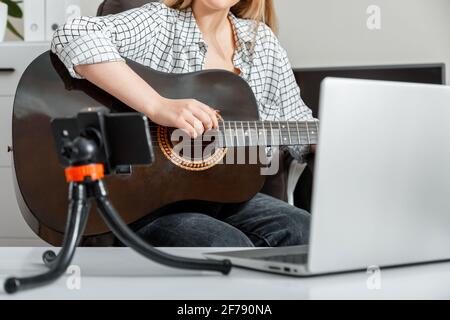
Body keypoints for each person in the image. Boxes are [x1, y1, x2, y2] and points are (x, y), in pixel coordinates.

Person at [51, 0, 314, 247]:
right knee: (224, 245)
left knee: (305, 229)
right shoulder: (160, 23)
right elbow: (73, 34)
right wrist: (157, 106)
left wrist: (325, 139)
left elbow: (298, 125)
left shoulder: (262, 43)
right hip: (148, 202)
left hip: (228, 196)